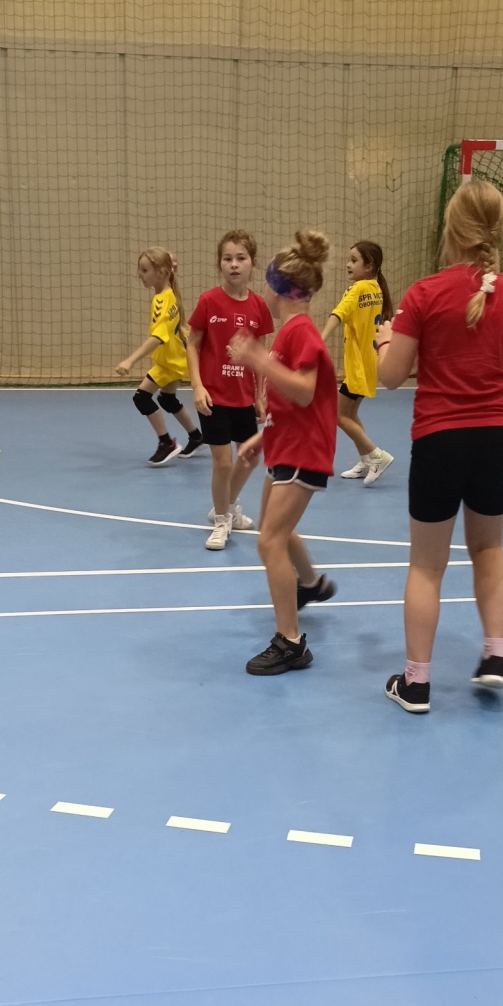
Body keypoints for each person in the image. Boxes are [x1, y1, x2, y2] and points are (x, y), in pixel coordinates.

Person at [376, 180, 503, 714]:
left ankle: (416, 683)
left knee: (427, 565)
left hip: (439, 439)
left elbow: (391, 377)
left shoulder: (424, 293)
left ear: (449, 229)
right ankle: (495, 654)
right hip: (497, 440)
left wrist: (384, 341)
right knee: (488, 549)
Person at [226, 231, 340, 675]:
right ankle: (309, 584)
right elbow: (289, 403)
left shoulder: (301, 331)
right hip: (286, 444)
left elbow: (306, 391)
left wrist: (258, 360)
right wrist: (264, 435)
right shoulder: (290, 332)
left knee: (269, 540)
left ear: (279, 288)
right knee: (277, 530)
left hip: (304, 451)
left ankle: (291, 643)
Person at [186, 231, 274, 549]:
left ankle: (227, 505)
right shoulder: (209, 301)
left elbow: (261, 353)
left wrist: (260, 395)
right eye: (227, 259)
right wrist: (197, 385)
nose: (234, 264)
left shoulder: (259, 306)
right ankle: (222, 521)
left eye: (241, 258)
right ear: (219, 264)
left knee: (249, 457)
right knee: (223, 463)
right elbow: (192, 344)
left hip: (244, 397)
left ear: (252, 263)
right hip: (213, 395)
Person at [114, 248, 205, 464]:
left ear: (162, 272)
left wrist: (129, 360)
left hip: (169, 362)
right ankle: (196, 436)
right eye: (140, 269)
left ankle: (166, 443)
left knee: (141, 398)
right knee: (167, 399)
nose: (140, 275)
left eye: (145, 270)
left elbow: (158, 337)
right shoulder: (167, 292)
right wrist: (170, 266)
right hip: (174, 358)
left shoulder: (163, 302)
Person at [322, 241, 394, 486]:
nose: (348, 264)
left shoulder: (358, 288)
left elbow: (338, 313)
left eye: (354, 260)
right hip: (369, 363)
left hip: (357, 367)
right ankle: (366, 460)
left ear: (369, 265)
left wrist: (320, 339)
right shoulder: (375, 288)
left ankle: (376, 455)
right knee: (349, 413)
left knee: (336, 414)